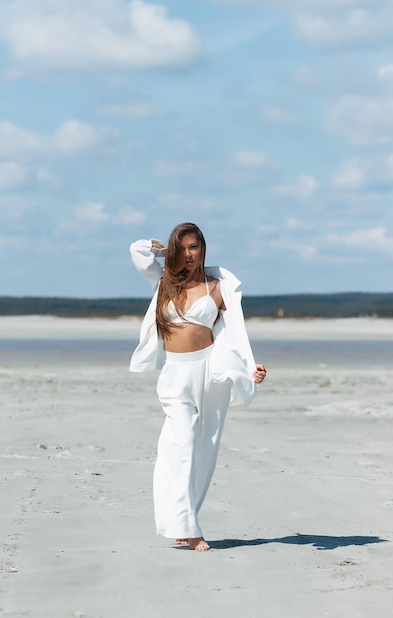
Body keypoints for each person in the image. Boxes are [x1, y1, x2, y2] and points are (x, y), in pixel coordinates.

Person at [129, 223, 266, 552]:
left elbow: (235, 333)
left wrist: (250, 370)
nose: (189, 255)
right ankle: (190, 528)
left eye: (194, 247)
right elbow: (137, 251)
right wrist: (165, 251)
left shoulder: (218, 287)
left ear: (204, 248)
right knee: (181, 445)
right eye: (183, 248)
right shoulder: (165, 282)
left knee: (203, 449)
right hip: (175, 376)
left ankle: (182, 520)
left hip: (210, 373)